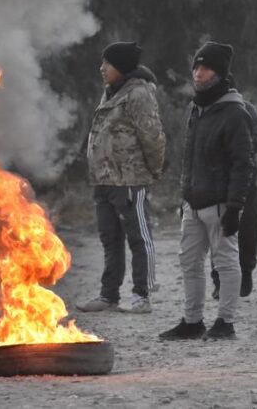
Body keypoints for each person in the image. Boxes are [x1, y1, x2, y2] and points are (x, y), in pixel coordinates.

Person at [159, 42, 254, 341]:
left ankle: (225, 322)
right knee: (189, 262)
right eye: (196, 67)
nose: (199, 74)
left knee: (225, 262)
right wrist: (185, 195)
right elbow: (190, 157)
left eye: (206, 68)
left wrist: (235, 206)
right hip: (193, 201)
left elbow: (243, 163)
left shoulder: (235, 112)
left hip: (220, 203)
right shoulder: (196, 108)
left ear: (220, 74)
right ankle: (193, 322)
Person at [76, 41, 166, 314]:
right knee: (110, 239)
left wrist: (153, 171)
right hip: (104, 181)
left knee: (139, 238)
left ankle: (141, 296)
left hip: (129, 180)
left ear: (122, 67)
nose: (101, 68)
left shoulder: (139, 94)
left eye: (108, 63)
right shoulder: (111, 92)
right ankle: (109, 296)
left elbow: (152, 136)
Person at [211, 74, 257, 299]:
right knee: (218, 233)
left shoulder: (246, 110)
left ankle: (246, 271)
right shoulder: (206, 112)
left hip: (244, 181)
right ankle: (219, 280)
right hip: (215, 182)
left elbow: (256, 144)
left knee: (248, 231)